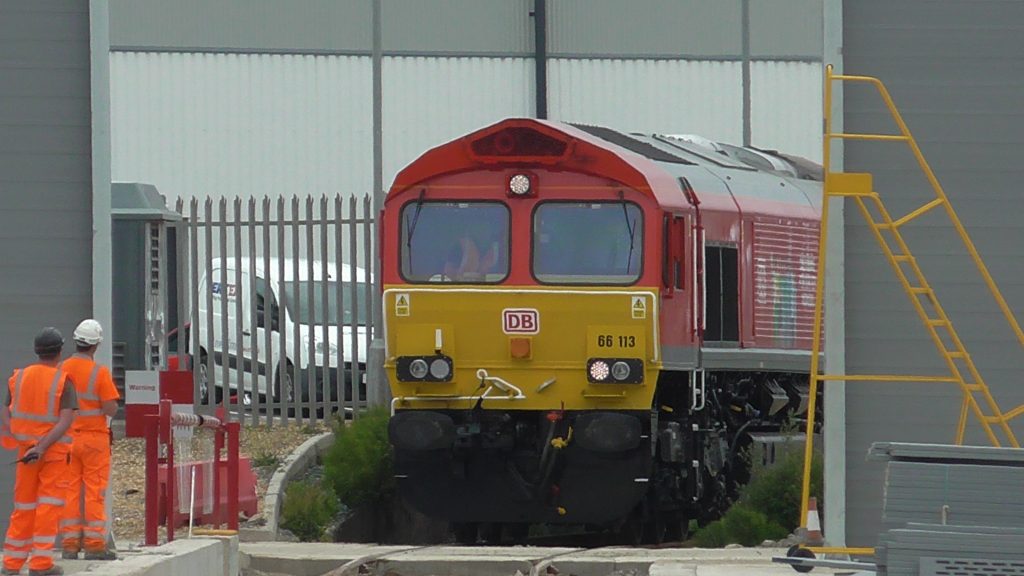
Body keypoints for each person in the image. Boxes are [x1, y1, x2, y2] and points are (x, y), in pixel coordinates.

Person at [0, 327, 77, 576]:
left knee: (23, 506)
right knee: (48, 506)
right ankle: (41, 565)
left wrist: (21, 437)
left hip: (26, 453)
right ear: (60, 351)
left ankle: (11, 564)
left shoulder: (18, 377)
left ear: (36, 351)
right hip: (51, 453)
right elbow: (65, 421)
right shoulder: (63, 381)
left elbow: (6, 410)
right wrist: (42, 446)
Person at [58, 320, 119, 561]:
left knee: (70, 490)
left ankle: (70, 544)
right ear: (95, 346)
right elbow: (111, 408)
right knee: (94, 490)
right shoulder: (99, 372)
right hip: (94, 440)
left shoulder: (62, 369)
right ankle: (94, 544)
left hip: (67, 440)